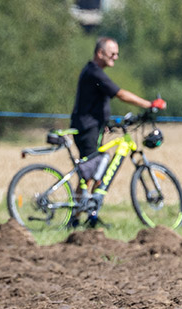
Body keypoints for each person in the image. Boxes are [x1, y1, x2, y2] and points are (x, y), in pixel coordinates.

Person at [70, 36, 165, 223]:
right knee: (90, 174)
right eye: (112, 53)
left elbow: (93, 102)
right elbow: (120, 94)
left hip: (92, 127)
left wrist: (106, 123)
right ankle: (76, 217)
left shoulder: (92, 72)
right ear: (100, 53)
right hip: (88, 129)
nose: (116, 57)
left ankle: (89, 215)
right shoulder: (94, 72)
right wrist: (149, 104)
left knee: (94, 173)